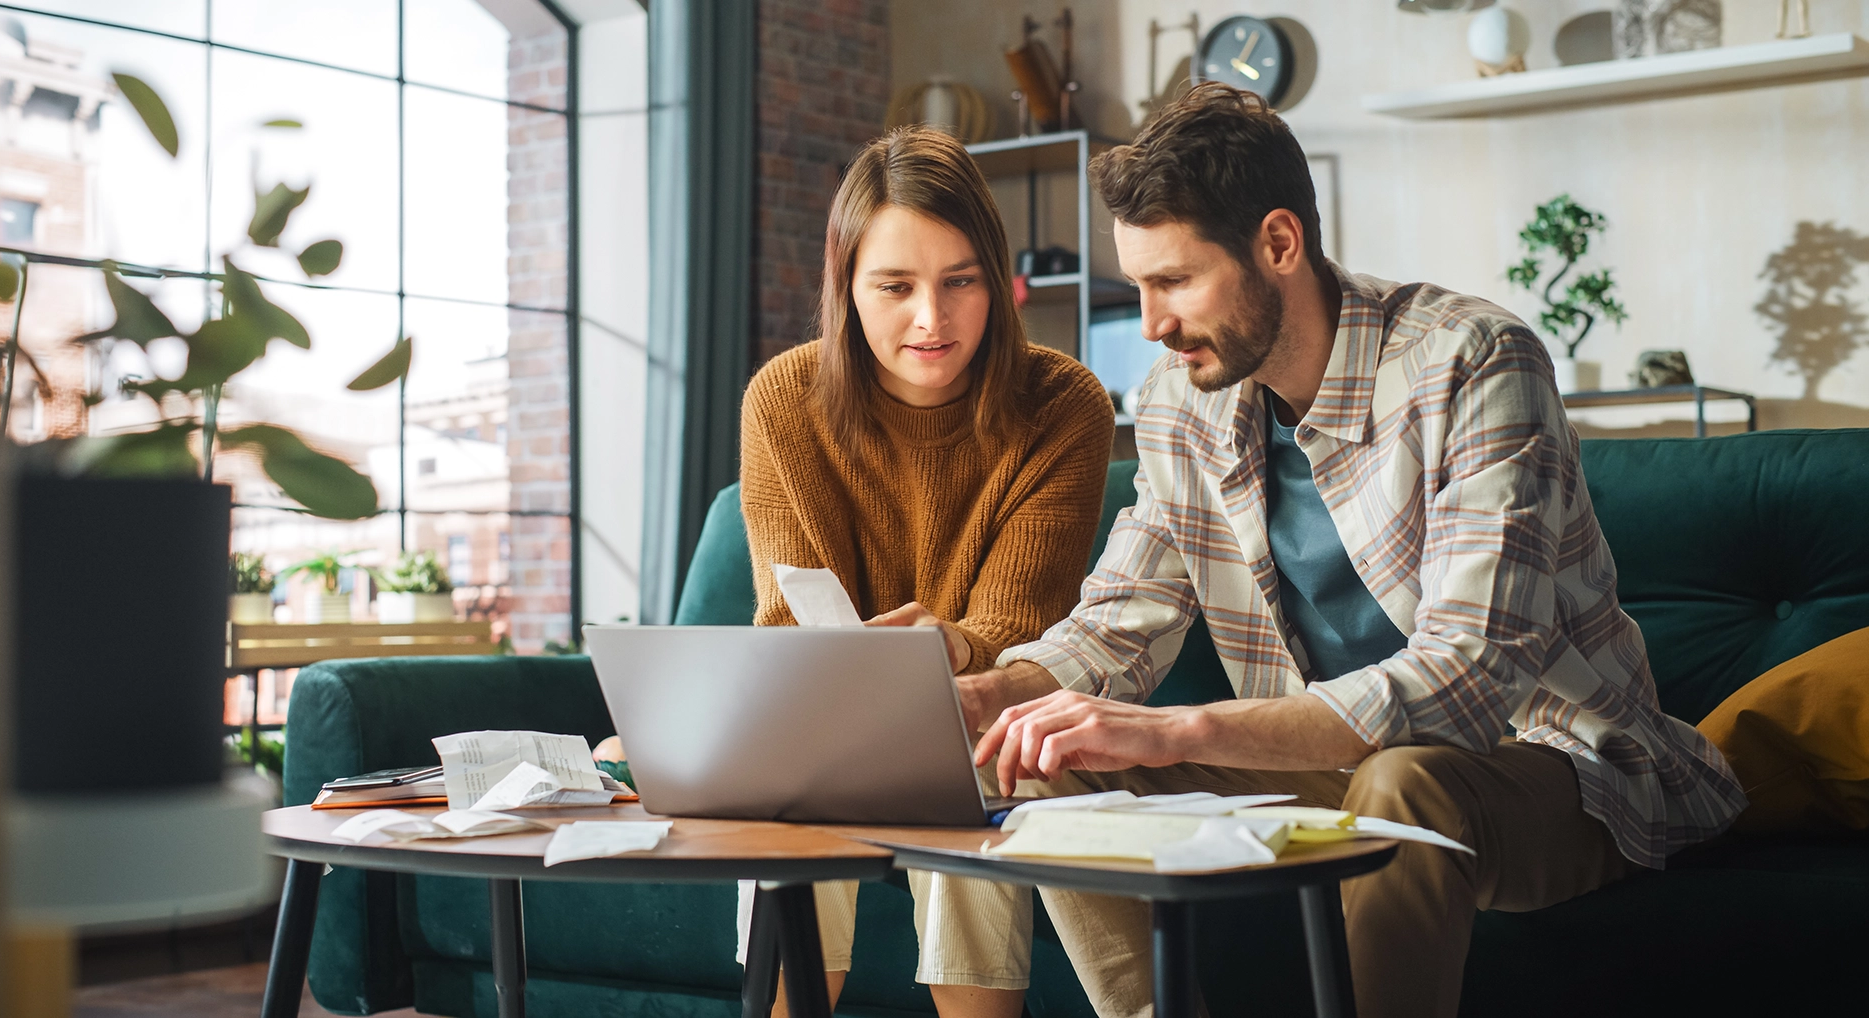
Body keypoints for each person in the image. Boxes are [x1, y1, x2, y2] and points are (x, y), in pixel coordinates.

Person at [957, 84, 1747, 1018]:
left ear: (1278, 243)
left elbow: (1468, 678)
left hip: (1548, 762)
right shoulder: (1179, 403)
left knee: (1402, 781)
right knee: (1037, 750)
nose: (1152, 325)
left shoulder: (1474, 361)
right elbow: (1117, 624)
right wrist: (983, 696)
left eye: (1174, 282)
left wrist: (1181, 728)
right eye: (1139, 286)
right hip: (1323, 769)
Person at [738, 125, 1117, 1018]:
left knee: (967, 755)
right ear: (846, 285)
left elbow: (1022, 630)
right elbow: (789, 627)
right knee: (794, 770)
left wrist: (949, 647)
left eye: (960, 282)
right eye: (895, 286)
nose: (931, 320)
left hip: (983, 714)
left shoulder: (1064, 403)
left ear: (999, 281)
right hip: (825, 716)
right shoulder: (783, 400)